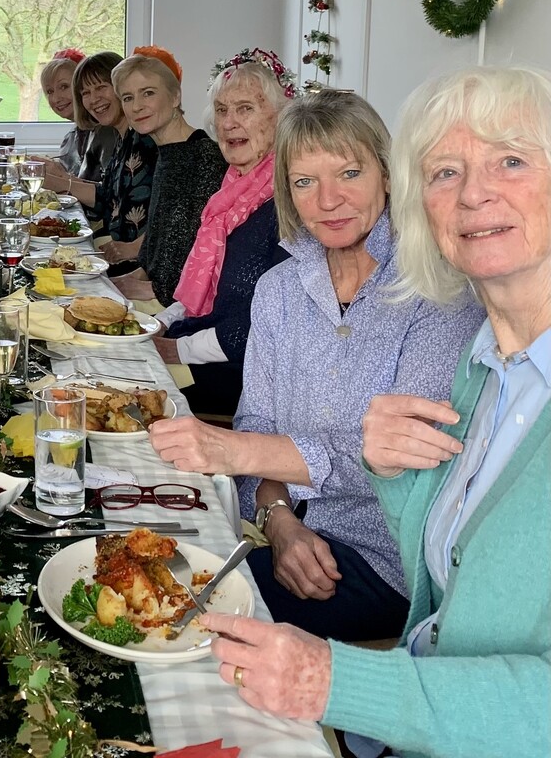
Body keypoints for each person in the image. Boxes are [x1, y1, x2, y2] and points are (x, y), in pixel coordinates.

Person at [203, 65, 551, 758]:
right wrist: (278, 517)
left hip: (388, 633)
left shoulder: (442, 304)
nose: (475, 193)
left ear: (387, 183)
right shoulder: (488, 368)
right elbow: (442, 579)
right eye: (446, 172)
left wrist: (338, 681)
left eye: (511, 160)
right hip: (403, 704)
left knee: (207, 629)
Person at [149, 90, 483, 642]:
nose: (329, 200)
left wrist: (234, 451)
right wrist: (279, 522)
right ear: (288, 192)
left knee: (186, 621)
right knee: (154, 566)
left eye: (349, 172)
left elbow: (404, 465)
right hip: (289, 528)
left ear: (387, 174)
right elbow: (257, 422)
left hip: (389, 563)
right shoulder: (279, 289)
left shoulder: (439, 293)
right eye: (305, 182)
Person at [150, 48, 297, 416]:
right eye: (221, 110)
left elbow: (263, 328)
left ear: (281, 117)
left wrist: (176, 349)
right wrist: (161, 321)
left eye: (246, 108)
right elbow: (205, 285)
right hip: (200, 346)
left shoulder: (291, 203)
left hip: (241, 376)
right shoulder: (230, 192)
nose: (229, 123)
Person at [109, 47, 227, 304]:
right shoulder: (167, 152)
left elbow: (203, 252)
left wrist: (143, 289)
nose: (137, 106)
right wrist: (122, 280)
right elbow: (156, 249)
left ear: (175, 97)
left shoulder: (204, 155)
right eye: (127, 98)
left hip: (177, 304)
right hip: (155, 292)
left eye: (148, 93)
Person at [40, 51, 152, 259]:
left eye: (101, 87)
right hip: (118, 252)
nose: (94, 99)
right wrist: (56, 181)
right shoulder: (123, 138)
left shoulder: (146, 139)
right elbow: (106, 197)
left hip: (134, 262)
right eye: (85, 93)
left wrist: (60, 181)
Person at [40, 47, 88, 175]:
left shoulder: (104, 134)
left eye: (64, 87)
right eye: (50, 91)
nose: (56, 98)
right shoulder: (70, 138)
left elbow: (101, 191)